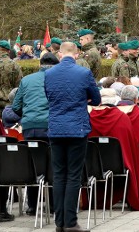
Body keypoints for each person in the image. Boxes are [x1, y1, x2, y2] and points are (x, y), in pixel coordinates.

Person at [44, 41, 101, 232]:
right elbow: (97, 99)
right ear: (76, 55)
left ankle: (59, 223)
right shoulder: (84, 73)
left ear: (60, 54)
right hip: (77, 128)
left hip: (56, 128)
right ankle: (70, 222)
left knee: (59, 175)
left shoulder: (49, 74)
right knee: (74, 175)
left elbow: (49, 96)